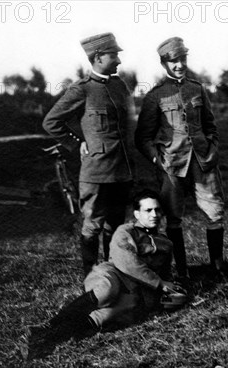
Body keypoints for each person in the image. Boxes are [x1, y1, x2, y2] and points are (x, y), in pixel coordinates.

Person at [27, 189, 183, 358]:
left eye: (158, 210)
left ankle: (46, 341)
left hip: (134, 289)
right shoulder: (125, 231)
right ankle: (49, 326)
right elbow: (126, 262)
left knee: (106, 315)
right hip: (112, 274)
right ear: (137, 214)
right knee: (107, 290)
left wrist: (170, 292)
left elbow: (164, 275)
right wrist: (159, 283)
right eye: (148, 210)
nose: (154, 214)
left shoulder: (165, 243)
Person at [43, 32, 135, 276]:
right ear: (97, 57)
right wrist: (76, 143)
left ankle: (113, 271)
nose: (118, 60)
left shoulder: (119, 86)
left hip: (121, 169)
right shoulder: (81, 90)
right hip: (96, 171)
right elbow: (51, 122)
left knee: (115, 225)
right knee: (93, 225)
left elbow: (128, 126)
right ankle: (90, 276)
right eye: (113, 55)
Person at [135, 37, 225, 280]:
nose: (179, 65)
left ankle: (217, 268)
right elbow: (143, 137)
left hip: (203, 161)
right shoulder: (156, 96)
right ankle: (183, 270)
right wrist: (157, 160)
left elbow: (210, 125)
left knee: (214, 213)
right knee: (173, 218)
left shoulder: (197, 89)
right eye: (173, 61)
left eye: (182, 59)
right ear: (164, 64)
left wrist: (213, 148)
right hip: (171, 164)